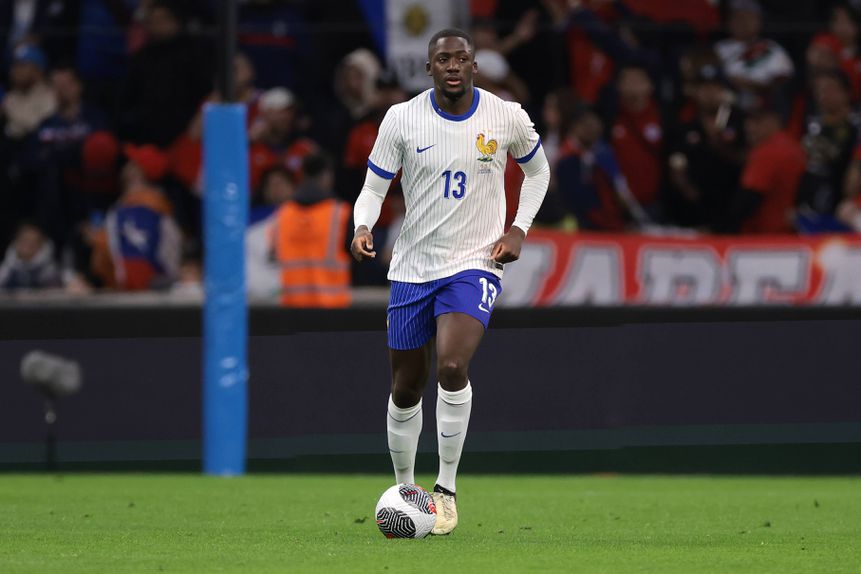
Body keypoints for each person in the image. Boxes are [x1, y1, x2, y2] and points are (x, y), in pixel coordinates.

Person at [350, 28, 550, 535]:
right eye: (444, 59)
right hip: (413, 266)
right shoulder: (402, 118)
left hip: (475, 261)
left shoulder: (505, 115)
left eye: (462, 58)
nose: (454, 66)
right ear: (429, 68)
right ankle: (406, 490)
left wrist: (519, 230)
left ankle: (446, 489)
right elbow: (374, 186)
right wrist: (363, 225)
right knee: (405, 387)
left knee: (453, 364)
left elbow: (538, 173)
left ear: (474, 66)